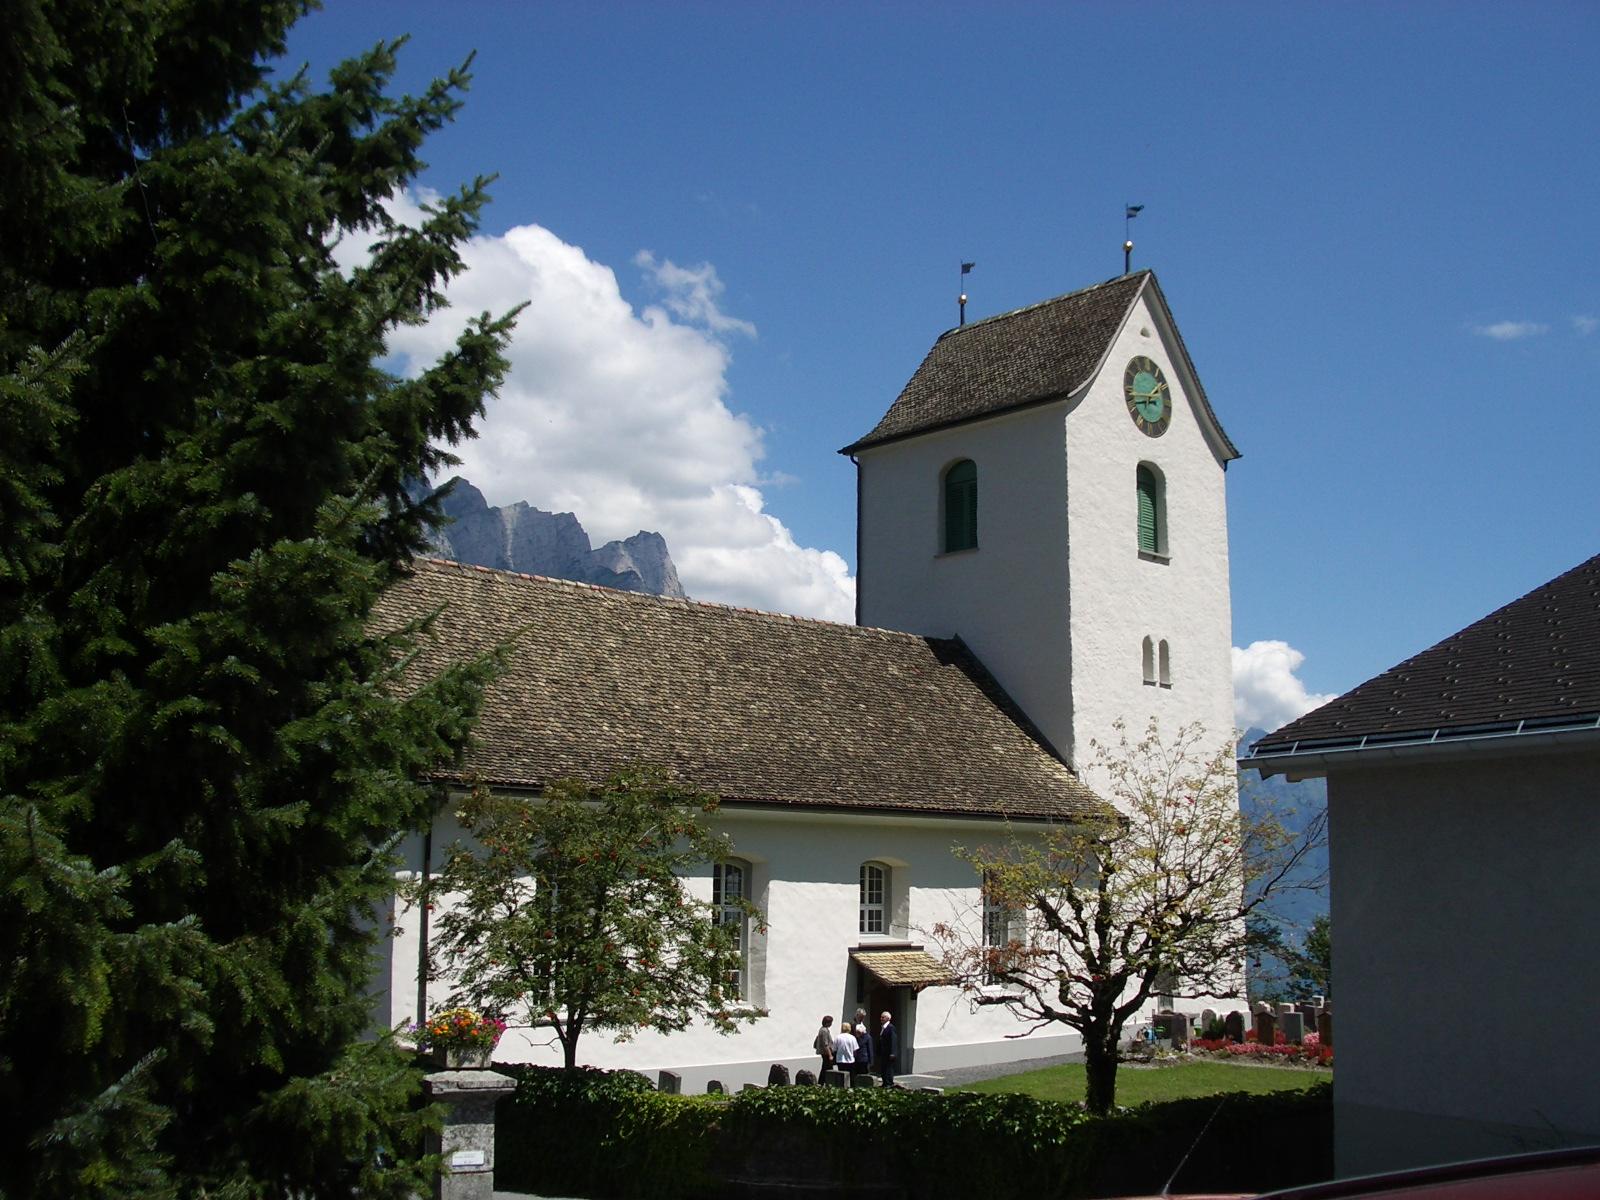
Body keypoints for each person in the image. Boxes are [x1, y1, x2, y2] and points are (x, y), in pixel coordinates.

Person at [877, 1011, 898, 1089]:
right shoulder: (883, 1028)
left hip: (889, 1053)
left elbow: (893, 1040)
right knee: (883, 1068)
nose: (881, 1019)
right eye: (881, 1017)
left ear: (888, 1018)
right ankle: (885, 1082)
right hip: (883, 1052)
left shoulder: (890, 1027)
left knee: (888, 1069)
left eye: (883, 1017)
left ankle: (889, 1083)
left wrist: (893, 1053)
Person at [852, 1013, 874, 1082]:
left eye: (858, 1032)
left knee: (864, 1076)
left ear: (862, 1032)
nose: (857, 1034)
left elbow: (870, 1049)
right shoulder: (856, 1038)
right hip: (856, 1059)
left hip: (864, 1059)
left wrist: (871, 1061)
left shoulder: (868, 1037)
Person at [813, 1014, 835, 1079]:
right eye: (831, 1022)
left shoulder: (823, 1029)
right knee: (827, 1068)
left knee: (825, 1068)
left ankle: (822, 1082)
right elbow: (825, 1044)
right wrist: (830, 1055)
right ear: (827, 1023)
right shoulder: (824, 1031)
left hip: (825, 1053)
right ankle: (823, 1082)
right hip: (826, 1053)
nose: (831, 1024)